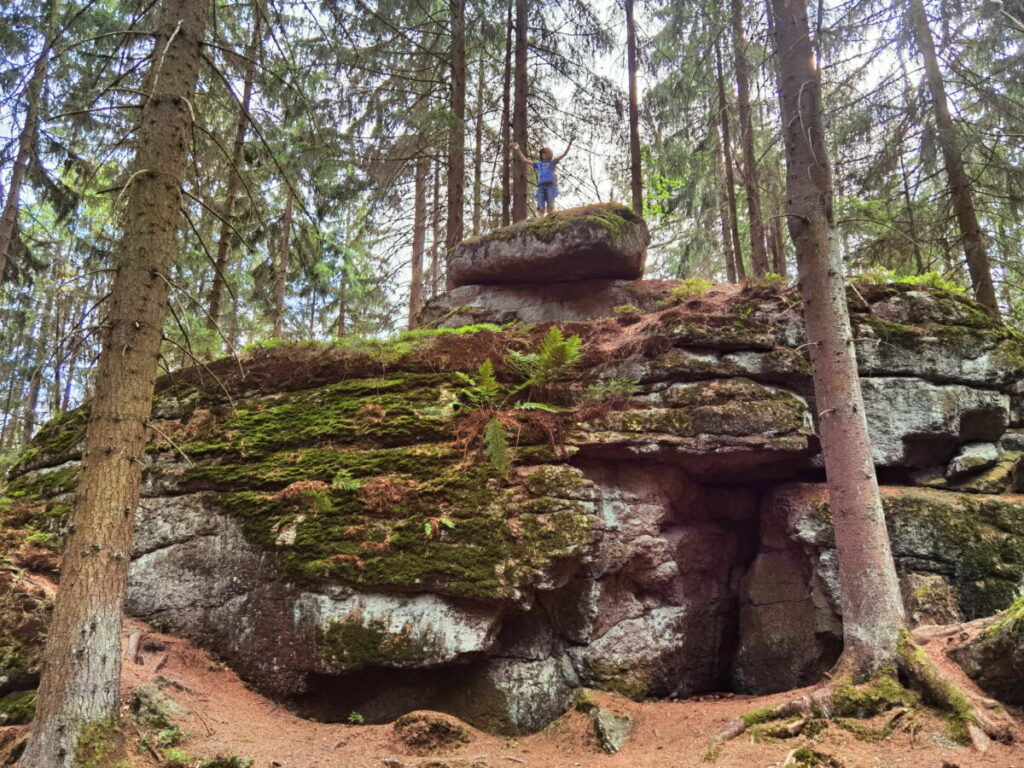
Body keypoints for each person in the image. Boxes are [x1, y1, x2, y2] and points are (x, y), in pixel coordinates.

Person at [511, 139, 573, 218]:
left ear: (549, 154)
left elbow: (563, 154)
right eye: (543, 153)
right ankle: (540, 220)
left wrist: (569, 145)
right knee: (541, 207)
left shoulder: (552, 162)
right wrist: (518, 149)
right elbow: (525, 160)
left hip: (550, 186)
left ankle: (551, 220)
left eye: (546, 152)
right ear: (541, 155)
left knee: (550, 207)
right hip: (541, 186)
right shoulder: (538, 164)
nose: (544, 154)